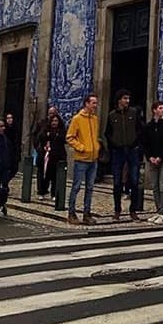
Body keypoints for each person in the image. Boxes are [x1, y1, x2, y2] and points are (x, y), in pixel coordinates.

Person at [105, 89, 144, 221]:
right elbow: (107, 133)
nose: (127, 101)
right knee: (117, 182)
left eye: (128, 98)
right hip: (118, 151)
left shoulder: (134, 113)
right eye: (125, 98)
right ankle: (117, 209)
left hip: (132, 150)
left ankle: (133, 209)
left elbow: (140, 129)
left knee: (134, 180)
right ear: (119, 100)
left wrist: (135, 143)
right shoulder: (112, 115)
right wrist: (114, 144)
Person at [66, 93, 101, 225]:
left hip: (93, 159)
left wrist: (96, 147)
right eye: (93, 103)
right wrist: (80, 147)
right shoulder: (77, 119)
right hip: (81, 159)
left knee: (90, 187)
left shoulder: (95, 119)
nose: (95, 105)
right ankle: (71, 213)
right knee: (76, 187)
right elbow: (70, 137)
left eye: (96, 103)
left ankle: (87, 213)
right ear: (86, 104)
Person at [142, 101, 163, 224]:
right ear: (154, 110)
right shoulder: (148, 127)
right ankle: (158, 210)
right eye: (160, 108)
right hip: (152, 159)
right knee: (155, 186)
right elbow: (145, 143)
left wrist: (160, 157)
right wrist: (150, 157)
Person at [37, 114, 67, 198]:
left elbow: (63, 139)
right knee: (45, 175)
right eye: (53, 121)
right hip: (47, 156)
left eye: (56, 121)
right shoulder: (45, 130)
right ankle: (42, 191)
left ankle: (54, 193)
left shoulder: (61, 131)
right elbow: (41, 137)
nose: (54, 123)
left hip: (58, 156)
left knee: (55, 177)